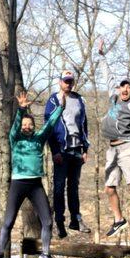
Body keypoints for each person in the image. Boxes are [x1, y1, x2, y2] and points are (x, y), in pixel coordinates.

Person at [0, 92, 65, 258]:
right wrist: (22, 109)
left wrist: (61, 107)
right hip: (18, 184)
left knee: (47, 221)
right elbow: (16, 126)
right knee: (8, 222)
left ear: (33, 126)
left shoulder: (39, 139)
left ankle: (45, 255)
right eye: (24, 125)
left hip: (35, 185)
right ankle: (0, 255)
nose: (26, 127)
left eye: (29, 124)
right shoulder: (15, 139)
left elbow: (50, 124)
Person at [98, 39, 130, 243]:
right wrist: (101, 55)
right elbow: (107, 75)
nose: (124, 90)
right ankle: (119, 220)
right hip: (111, 149)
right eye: (122, 87)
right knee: (109, 189)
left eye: (128, 87)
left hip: (127, 147)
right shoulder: (114, 96)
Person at [44, 70, 90, 239]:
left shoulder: (79, 99)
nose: (68, 84)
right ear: (60, 82)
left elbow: (84, 125)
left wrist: (85, 149)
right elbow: (48, 126)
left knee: (74, 187)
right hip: (61, 151)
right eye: (65, 81)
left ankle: (76, 219)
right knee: (59, 187)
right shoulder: (53, 100)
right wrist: (55, 150)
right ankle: (59, 222)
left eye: (70, 81)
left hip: (77, 150)